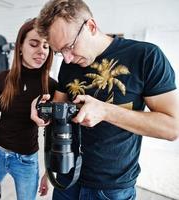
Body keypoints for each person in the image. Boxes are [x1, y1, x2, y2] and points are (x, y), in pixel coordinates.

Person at [30, 0, 179, 199]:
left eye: (70, 47)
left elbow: (172, 128)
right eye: (60, 52)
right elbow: (59, 110)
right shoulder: (69, 64)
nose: (67, 58)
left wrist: (106, 111)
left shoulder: (146, 56)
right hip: (67, 176)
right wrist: (45, 113)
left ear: (91, 26)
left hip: (111, 188)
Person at [0, 18, 57, 200]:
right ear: (20, 47)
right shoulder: (1, 79)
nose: (41, 51)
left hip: (26, 161)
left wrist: (48, 172)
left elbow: (53, 132)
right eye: (34, 44)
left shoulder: (51, 87)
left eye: (46, 46)